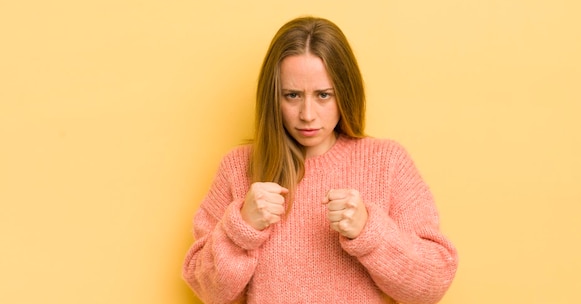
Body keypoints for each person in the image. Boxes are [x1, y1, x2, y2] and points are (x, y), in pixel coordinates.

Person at [182, 16, 458, 304]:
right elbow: (208, 291)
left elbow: (433, 285)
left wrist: (370, 232)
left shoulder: (387, 162)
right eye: (292, 95)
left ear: (345, 93)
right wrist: (241, 226)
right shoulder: (238, 168)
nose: (307, 114)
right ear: (272, 97)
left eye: (324, 95)